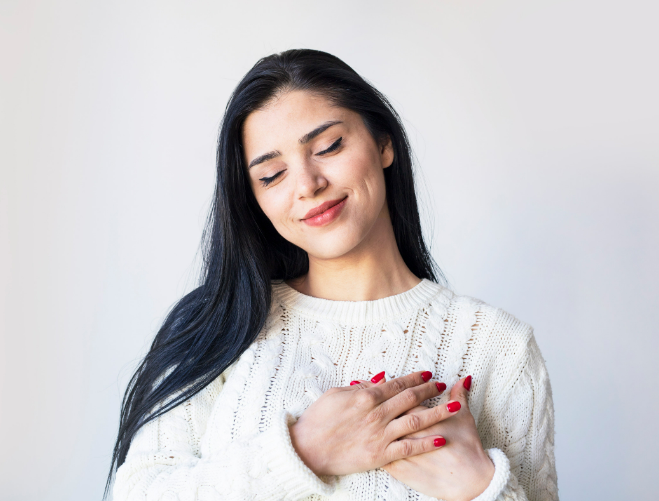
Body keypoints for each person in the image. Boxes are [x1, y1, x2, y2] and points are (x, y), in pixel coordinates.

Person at [107, 49, 558, 501]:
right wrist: (303, 452)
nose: (307, 184)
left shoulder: (499, 347)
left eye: (328, 147)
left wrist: (481, 488)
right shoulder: (219, 326)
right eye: (272, 174)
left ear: (384, 144)